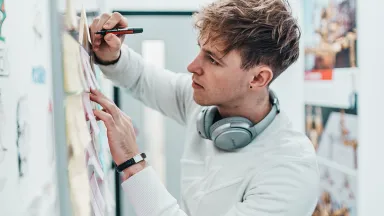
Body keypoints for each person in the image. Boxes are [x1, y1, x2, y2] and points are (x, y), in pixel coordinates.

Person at [89, 0, 320, 215]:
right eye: (201, 50)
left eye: (213, 60)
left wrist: (132, 162)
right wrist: (112, 55)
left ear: (259, 78)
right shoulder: (203, 104)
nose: (192, 66)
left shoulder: (290, 169)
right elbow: (141, 78)